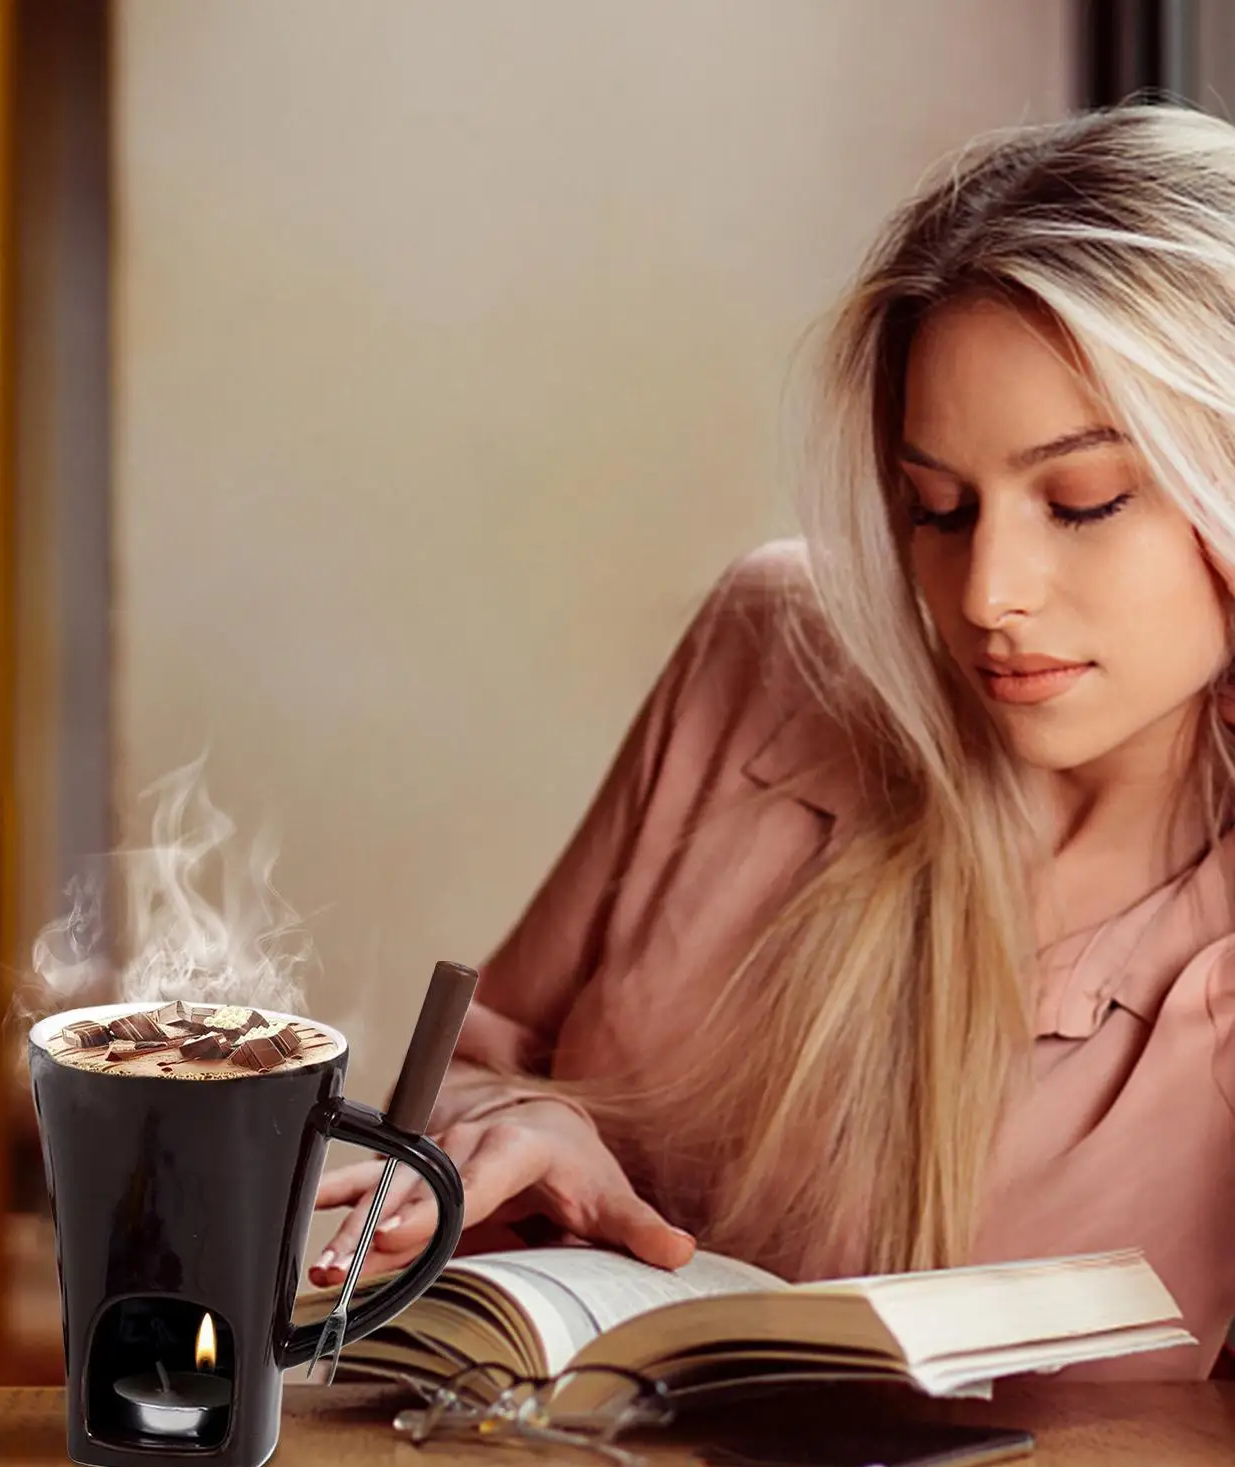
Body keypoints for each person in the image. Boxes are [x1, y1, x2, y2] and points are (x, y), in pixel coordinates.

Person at [313, 103, 1235, 1378]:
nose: (984, 594)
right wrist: (510, 1127)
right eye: (936, 508)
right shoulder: (771, 645)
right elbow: (477, 1059)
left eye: (1081, 501)